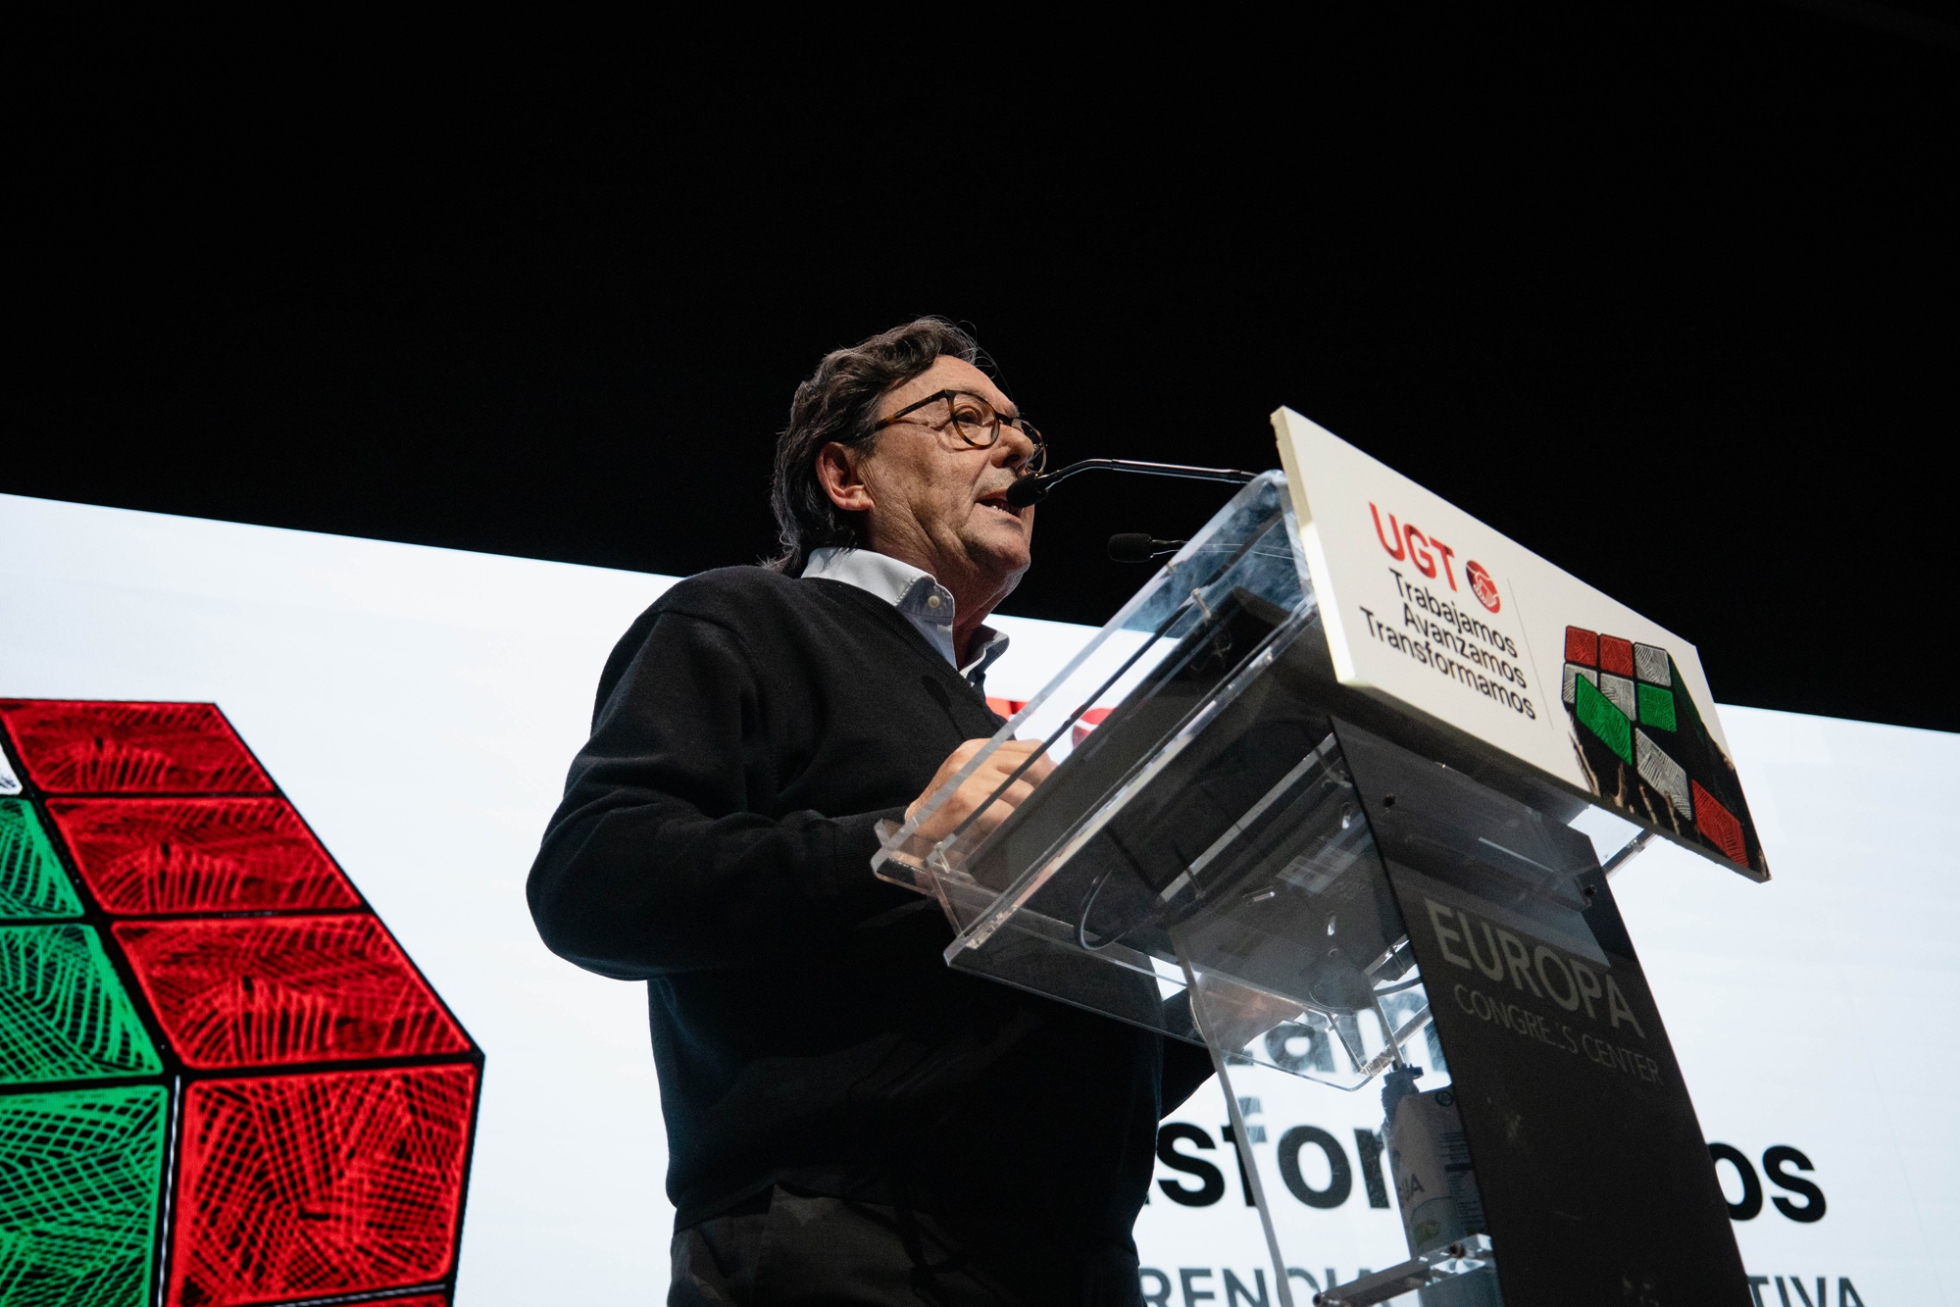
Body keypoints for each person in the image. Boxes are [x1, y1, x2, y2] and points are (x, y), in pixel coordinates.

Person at [527, 318, 1214, 1305]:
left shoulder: (991, 726)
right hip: (848, 1243)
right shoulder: (742, 619)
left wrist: (1215, 1022)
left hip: (1074, 1265)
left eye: (1022, 431)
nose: (1018, 450)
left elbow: (1028, 1044)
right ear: (846, 473)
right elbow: (591, 881)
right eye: (966, 419)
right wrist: (902, 844)